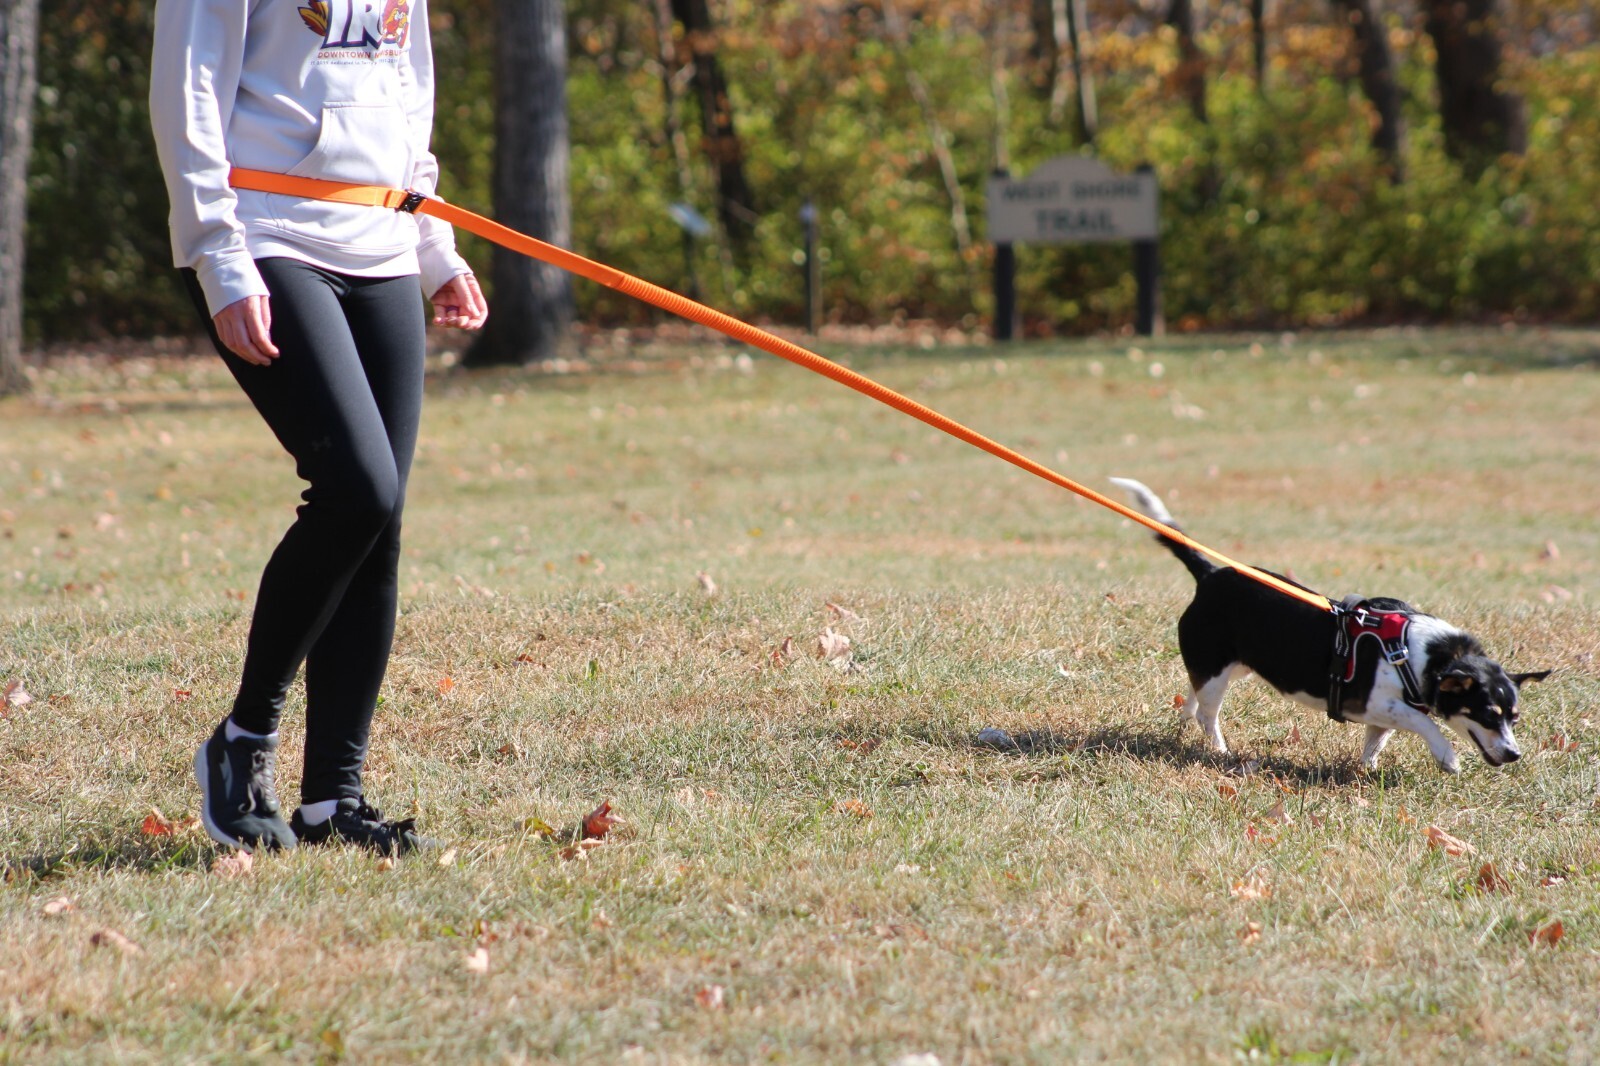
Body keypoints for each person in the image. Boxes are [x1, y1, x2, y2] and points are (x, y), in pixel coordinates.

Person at [149, 0, 487, 854]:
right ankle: (242, 742)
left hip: (380, 238)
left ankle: (333, 800)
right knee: (355, 488)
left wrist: (434, 247)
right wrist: (218, 255)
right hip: (268, 231)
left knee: (382, 521)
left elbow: (409, 100)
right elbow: (186, 93)